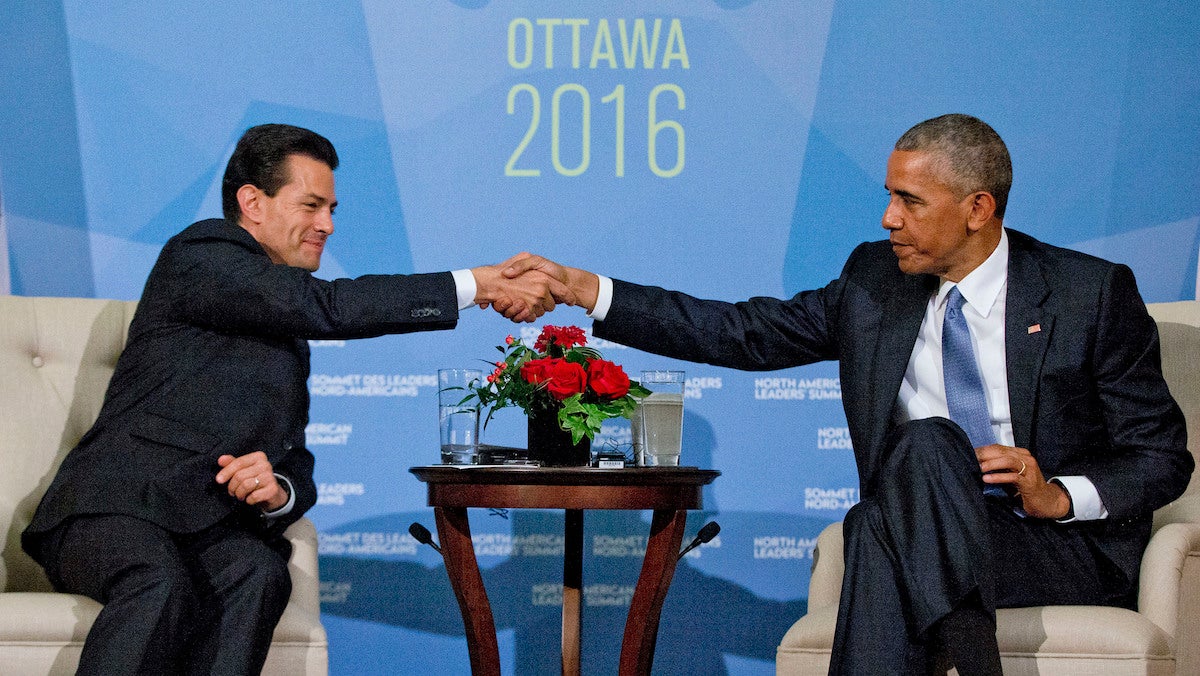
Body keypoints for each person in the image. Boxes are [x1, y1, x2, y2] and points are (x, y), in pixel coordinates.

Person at [504, 114, 1195, 675]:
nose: (889, 218)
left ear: (978, 208)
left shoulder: (1087, 293)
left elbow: (1161, 457)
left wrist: (1059, 493)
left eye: (910, 201)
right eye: (890, 196)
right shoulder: (875, 280)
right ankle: (969, 652)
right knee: (904, 483)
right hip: (918, 530)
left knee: (892, 500)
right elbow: (742, 332)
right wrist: (587, 290)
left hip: (1047, 547)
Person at [21, 123, 563, 675]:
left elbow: (295, 465)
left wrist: (274, 490)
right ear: (252, 202)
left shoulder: (285, 335)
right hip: (111, 514)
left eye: (332, 208)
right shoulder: (202, 254)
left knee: (258, 572)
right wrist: (476, 285)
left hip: (204, 528)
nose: (326, 225)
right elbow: (327, 305)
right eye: (311, 205)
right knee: (158, 581)